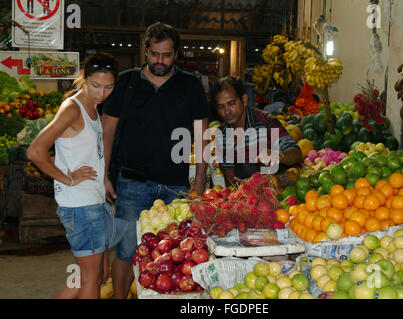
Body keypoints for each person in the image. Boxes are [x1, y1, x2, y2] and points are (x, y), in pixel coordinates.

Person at [101, 22, 209, 299]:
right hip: (131, 184)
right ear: (146, 51)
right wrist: (103, 175)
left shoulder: (190, 85)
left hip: (175, 186)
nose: (160, 61)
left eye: (167, 55)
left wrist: (197, 183)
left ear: (177, 54)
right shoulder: (126, 82)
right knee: (125, 250)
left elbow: (203, 136)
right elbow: (107, 134)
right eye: (155, 54)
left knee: (174, 255)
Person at [27, 52, 121, 299]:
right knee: (91, 279)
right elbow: (36, 151)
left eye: (108, 87)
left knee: (97, 276)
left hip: (93, 201)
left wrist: (103, 178)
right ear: (84, 77)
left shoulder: (93, 108)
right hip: (80, 206)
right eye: (96, 85)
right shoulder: (73, 108)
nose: (102, 93)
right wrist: (67, 178)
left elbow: (89, 154)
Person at [210, 76, 302, 186]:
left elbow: (296, 153)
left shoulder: (265, 122)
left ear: (244, 100)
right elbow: (231, 180)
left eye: (231, 103)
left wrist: (278, 155)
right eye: (221, 107)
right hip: (247, 197)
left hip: (278, 193)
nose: (227, 111)